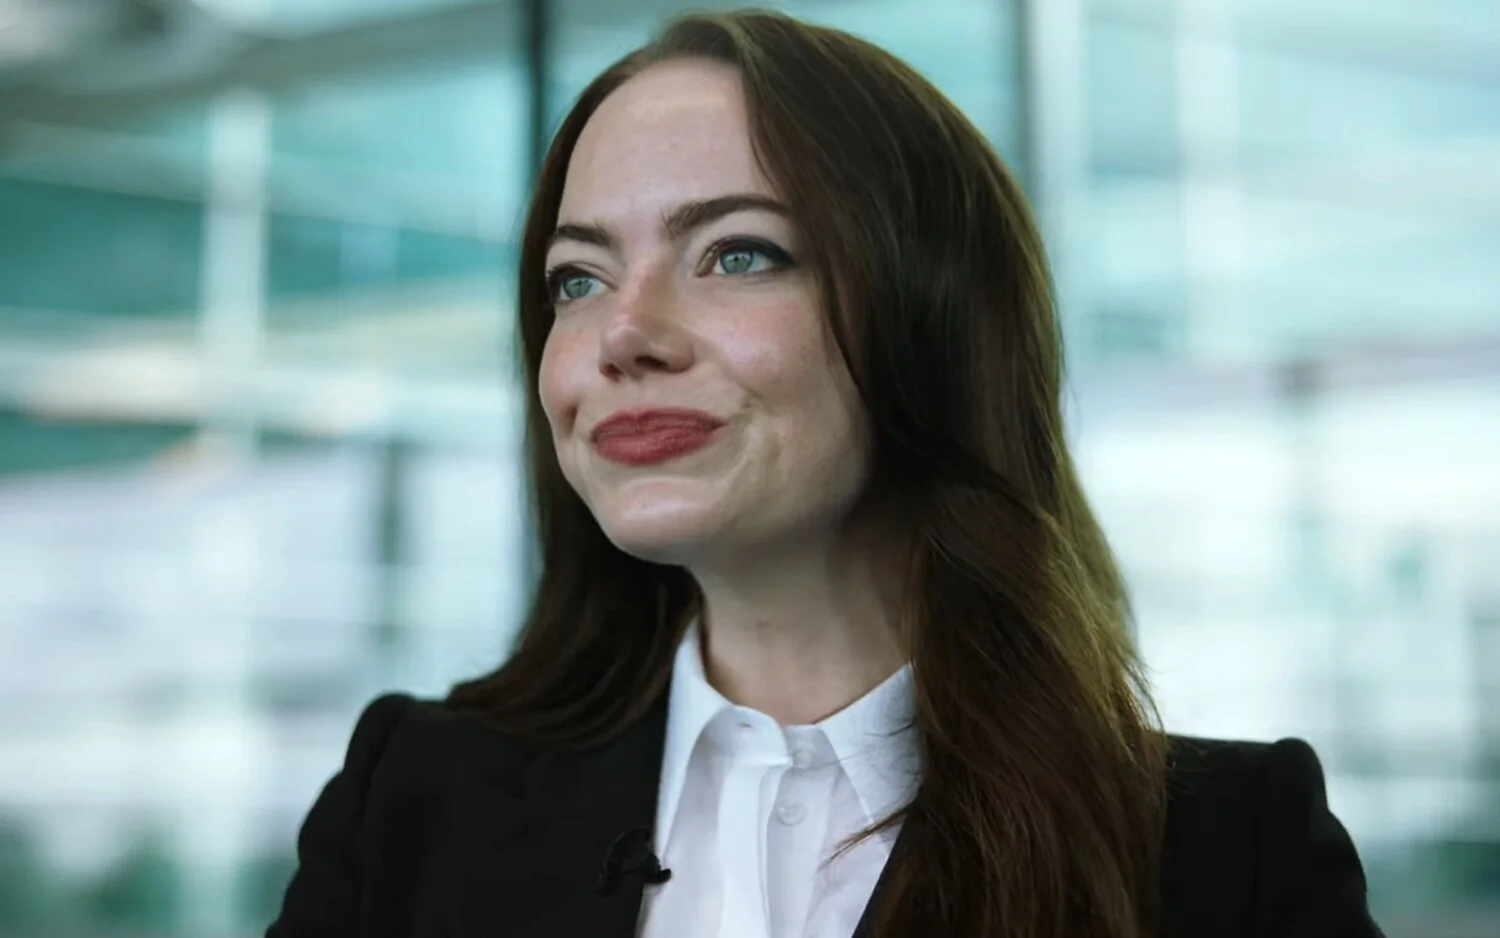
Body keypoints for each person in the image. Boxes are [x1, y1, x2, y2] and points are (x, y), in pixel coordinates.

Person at [266, 10, 1383, 938]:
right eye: (578, 279)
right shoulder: (411, 802)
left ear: (932, 322)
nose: (623, 335)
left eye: (737, 254)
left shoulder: (1225, 855)